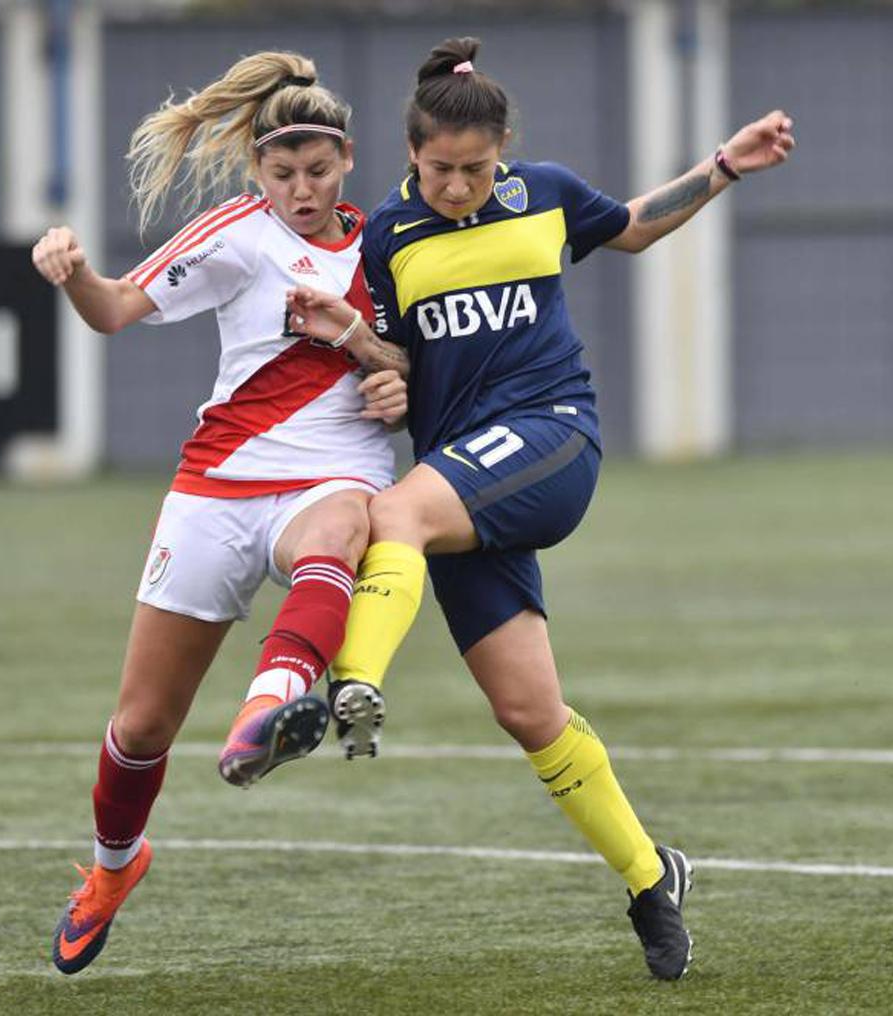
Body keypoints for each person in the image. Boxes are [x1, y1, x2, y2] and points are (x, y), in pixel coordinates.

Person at [284, 37, 794, 980]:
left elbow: (634, 225)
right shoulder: (386, 237)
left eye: (476, 169)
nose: (459, 186)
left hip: (552, 435)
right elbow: (399, 365)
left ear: (505, 149)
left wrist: (724, 165)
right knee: (529, 712)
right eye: (441, 169)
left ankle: (347, 683)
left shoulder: (546, 192)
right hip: (461, 478)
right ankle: (653, 877)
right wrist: (369, 360)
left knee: (391, 515)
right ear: (410, 155)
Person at [28, 51, 410, 976]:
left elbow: (421, 362)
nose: (302, 190)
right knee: (142, 727)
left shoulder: (393, 240)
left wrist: (390, 372)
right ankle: (114, 870)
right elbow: (115, 309)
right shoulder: (237, 233)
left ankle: (268, 710)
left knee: (342, 530)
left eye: (318, 171)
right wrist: (72, 270)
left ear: (348, 159)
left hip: (332, 472)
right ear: (257, 172)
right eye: (282, 174)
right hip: (216, 487)